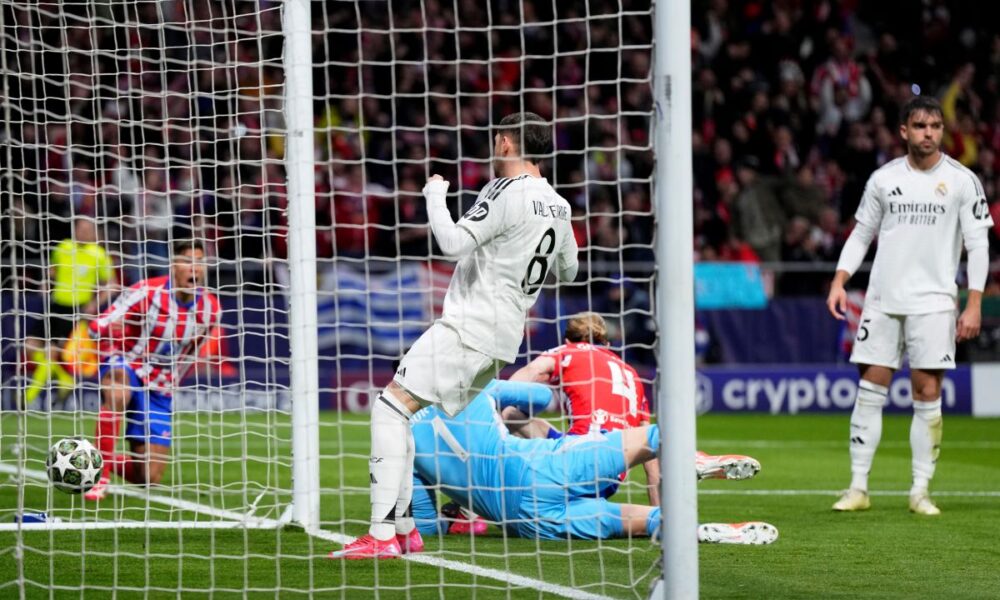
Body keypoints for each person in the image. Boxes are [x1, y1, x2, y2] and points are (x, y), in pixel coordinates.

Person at [331, 112, 579, 559]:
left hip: (471, 324)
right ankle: (405, 529)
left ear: (506, 142)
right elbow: (569, 269)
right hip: (505, 338)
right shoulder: (559, 205)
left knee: (388, 409)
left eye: (496, 139)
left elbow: (452, 244)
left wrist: (435, 197)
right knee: (403, 412)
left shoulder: (504, 190)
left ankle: (382, 536)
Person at [826, 96, 993, 515]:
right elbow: (862, 234)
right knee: (870, 390)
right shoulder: (883, 179)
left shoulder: (962, 180)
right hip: (883, 300)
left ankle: (920, 490)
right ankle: (858, 488)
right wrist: (840, 279)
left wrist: (973, 303)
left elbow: (978, 245)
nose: (928, 133)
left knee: (927, 391)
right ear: (904, 131)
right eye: (920, 126)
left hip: (935, 302)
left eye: (935, 126)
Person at [397, 380, 777, 545]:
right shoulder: (471, 387)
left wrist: (456, 515)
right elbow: (542, 396)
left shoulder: (405, 441)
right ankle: (690, 458)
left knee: (625, 521)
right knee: (648, 438)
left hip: (525, 522)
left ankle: (690, 530)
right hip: (535, 466)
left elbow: (427, 527)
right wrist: (514, 413)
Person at [506, 312, 759, 505]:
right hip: (613, 474)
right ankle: (688, 463)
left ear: (567, 339)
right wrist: (659, 511)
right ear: (606, 341)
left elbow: (532, 371)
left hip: (577, 460)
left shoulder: (568, 351)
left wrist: (494, 401)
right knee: (525, 421)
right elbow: (650, 461)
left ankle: (478, 490)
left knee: (508, 415)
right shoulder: (630, 372)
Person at [81, 239, 221, 501]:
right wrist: (109, 329)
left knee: (149, 478)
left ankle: (96, 455)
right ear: (173, 266)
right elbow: (96, 326)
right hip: (128, 364)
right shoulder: (146, 292)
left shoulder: (211, 309)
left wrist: (172, 384)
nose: (195, 268)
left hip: (159, 385)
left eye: (199, 262)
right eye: (187, 261)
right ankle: (100, 477)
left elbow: (189, 355)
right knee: (118, 386)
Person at [24, 217, 116, 409]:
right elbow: (52, 271)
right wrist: (46, 285)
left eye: (87, 229)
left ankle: (27, 399)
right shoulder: (63, 247)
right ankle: (65, 378)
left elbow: (111, 285)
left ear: (93, 233)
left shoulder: (98, 254)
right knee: (29, 345)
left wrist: (94, 304)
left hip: (77, 308)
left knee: (53, 352)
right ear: (75, 229)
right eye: (80, 228)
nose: (83, 232)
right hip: (56, 305)